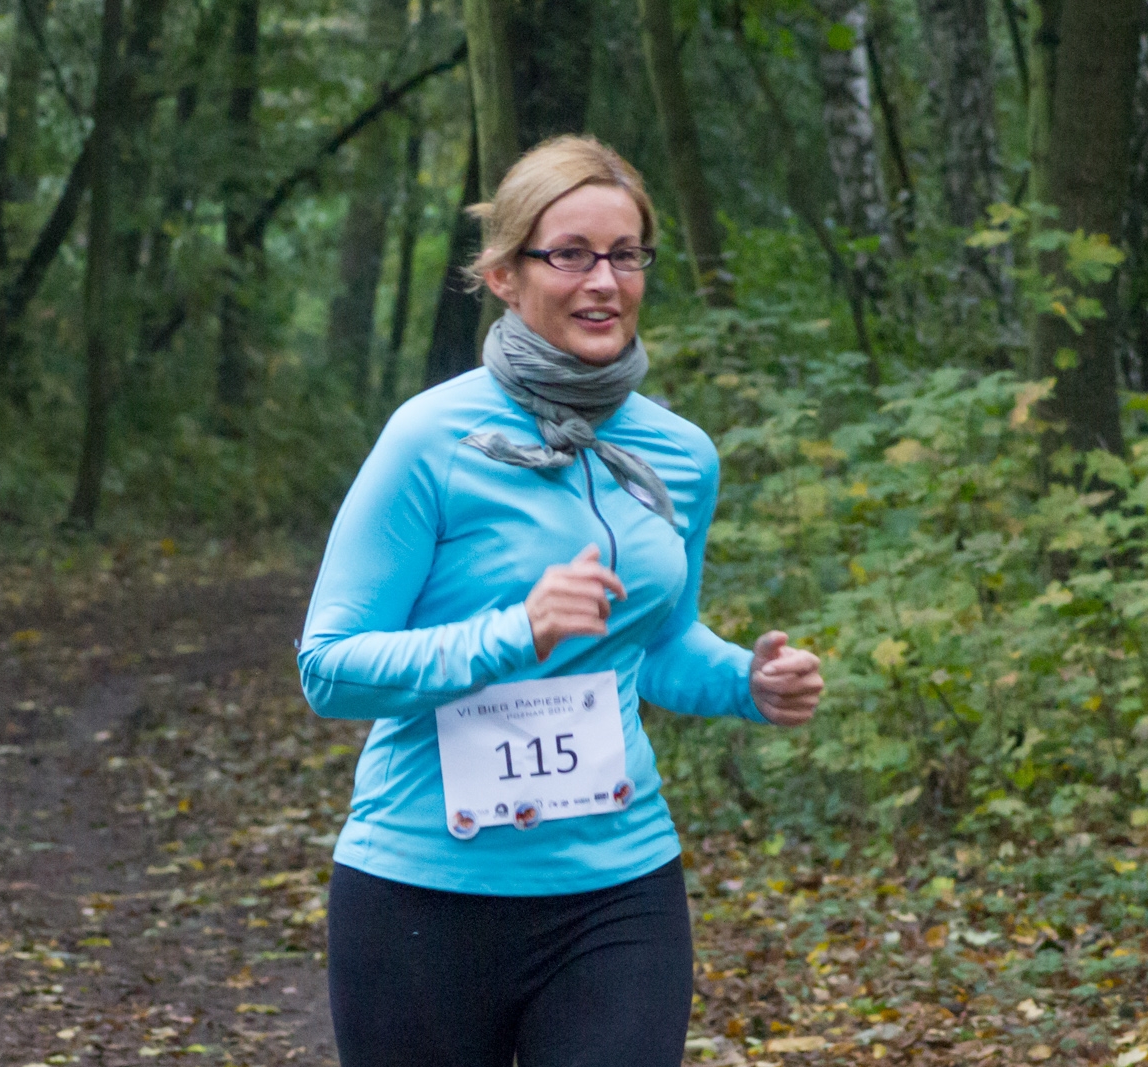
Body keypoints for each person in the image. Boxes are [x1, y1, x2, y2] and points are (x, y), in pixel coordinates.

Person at [298, 134, 824, 1067]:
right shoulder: (432, 437)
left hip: (619, 891)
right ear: (504, 274)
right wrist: (513, 631)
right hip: (423, 890)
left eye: (625, 255)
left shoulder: (681, 455)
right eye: (570, 253)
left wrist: (749, 681)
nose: (604, 281)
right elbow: (330, 669)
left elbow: (657, 644)